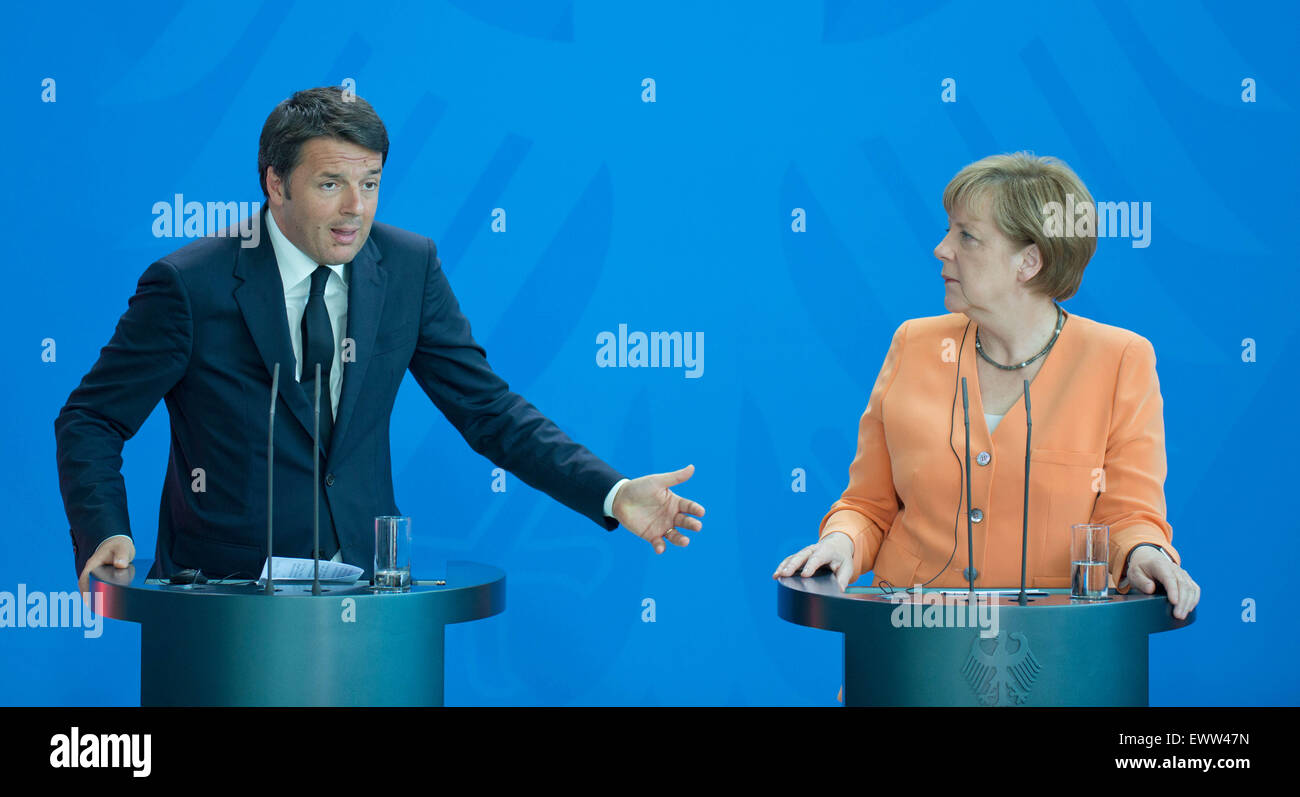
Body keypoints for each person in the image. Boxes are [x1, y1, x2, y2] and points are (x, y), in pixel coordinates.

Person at [57, 86, 704, 594]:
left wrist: (613, 491)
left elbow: (491, 411)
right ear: (275, 184)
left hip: (366, 606)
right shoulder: (190, 284)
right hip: (222, 607)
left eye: (369, 184)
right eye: (330, 184)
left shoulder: (407, 267)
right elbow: (90, 417)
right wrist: (103, 530)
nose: (355, 210)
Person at [772, 152, 1198, 620]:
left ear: (1029, 261)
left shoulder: (1119, 360)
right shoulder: (913, 344)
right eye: (948, 230)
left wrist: (1143, 552)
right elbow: (869, 506)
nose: (941, 248)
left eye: (967, 237)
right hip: (907, 647)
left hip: (1053, 656)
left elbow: (1127, 517)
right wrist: (842, 540)